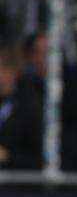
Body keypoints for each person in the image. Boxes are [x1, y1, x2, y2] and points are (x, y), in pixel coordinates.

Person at [0, 41, 42, 170]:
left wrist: (8, 157)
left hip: (15, 185)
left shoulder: (30, 106)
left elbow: (38, 159)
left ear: (11, 72)